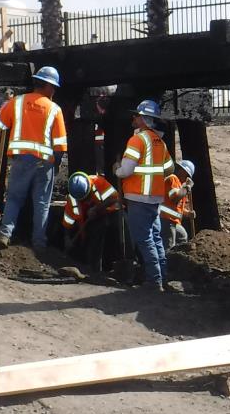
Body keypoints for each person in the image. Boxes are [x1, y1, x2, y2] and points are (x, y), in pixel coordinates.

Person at [0, 67, 67, 250]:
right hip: (45, 163)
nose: (54, 91)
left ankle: (4, 234)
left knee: (14, 198)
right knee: (42, 203)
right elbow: (61, 145)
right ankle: (39, 243)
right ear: (48, 86)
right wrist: (54, 164)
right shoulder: (54, 109)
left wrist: (2, 107)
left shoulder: (17, 103)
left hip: (21, 161)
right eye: (53, 87)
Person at [115, 99, 174, 291]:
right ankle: (162, 278)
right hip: (155, 198)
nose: (134, 118)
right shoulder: (160, 142)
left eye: (137, 115)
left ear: (144, 119)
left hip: (138, 197)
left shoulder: (137, 140)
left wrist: (116, 169)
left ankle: (154, 281)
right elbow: (169, 169)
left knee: (144, 238)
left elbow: (126, 171)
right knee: (155, 237)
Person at [62, 171, 125, 275]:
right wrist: (67, 238)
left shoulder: (99, 182)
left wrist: (96, 208)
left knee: (115, 231)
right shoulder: (72, 199)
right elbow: (67, 222)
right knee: (95, 237)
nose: (86, 200)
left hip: (112, 213)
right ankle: (95, 271)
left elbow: (114, 198)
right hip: (93, 222)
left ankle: (119, 263)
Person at [160, 159, 196, 247]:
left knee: (182, 237)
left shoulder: (180, 187)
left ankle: (178, 258)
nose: (187, 178)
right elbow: (174, 198)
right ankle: (167, 260)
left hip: (173, 220)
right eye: (187, 175)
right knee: (169, 245)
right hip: (165, 218)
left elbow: (178, 208)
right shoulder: (172, 179)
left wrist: (188, 214)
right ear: (182, 171)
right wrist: (187, 188)